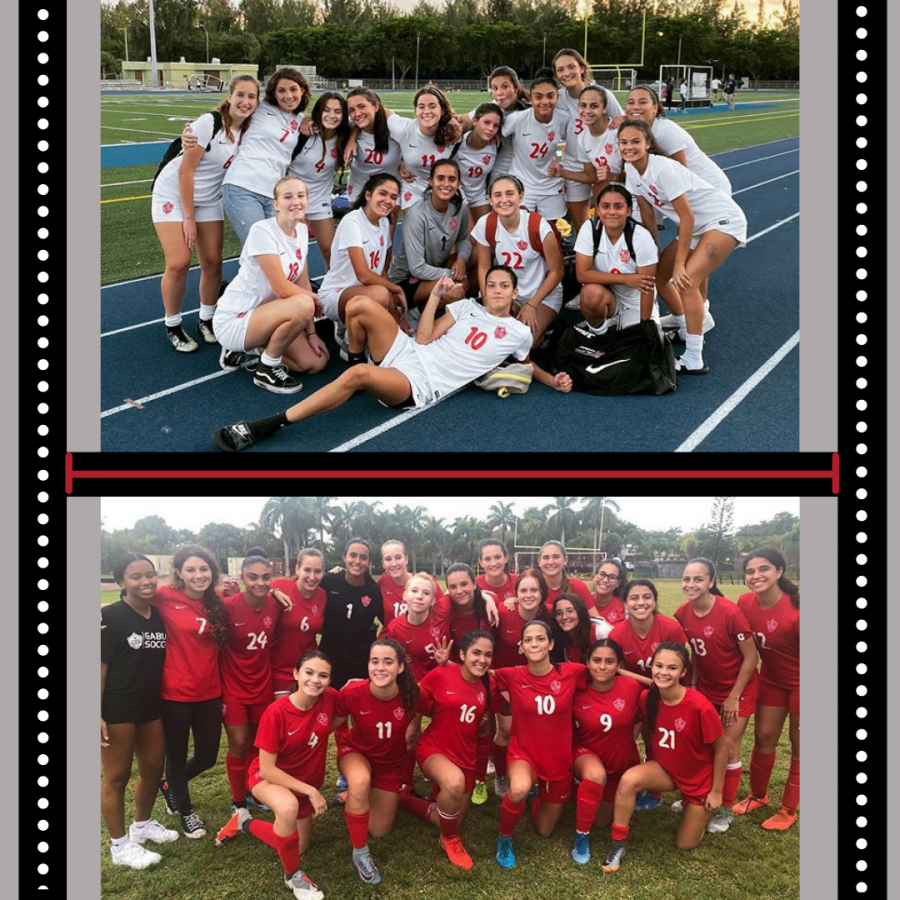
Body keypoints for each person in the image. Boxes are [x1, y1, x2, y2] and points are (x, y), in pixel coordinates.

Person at [212, 267, 548, 452]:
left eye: (504, 286)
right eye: (492, 285)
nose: (497, 291)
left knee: (358, 374)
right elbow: (424, 337)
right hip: (412, 351)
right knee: (360, 306)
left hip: (421, 383)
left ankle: (272, 423)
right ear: (484, 290)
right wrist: (435, 296)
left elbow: (527, 363)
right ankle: (356, 371)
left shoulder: (519, 333)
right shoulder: (466, 307)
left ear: (515, 293)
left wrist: (552, 380)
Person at [214, 650, 347, 900]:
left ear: (330, 680)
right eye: (308, 673)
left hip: (303, 783)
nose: (315, 680)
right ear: (296, 674)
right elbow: (267, 769)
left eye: (323, 675)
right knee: (288, 808)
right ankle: (294, 878)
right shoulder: (277, 712)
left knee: (298, 846)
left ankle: (244, 822)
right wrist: (310, 790)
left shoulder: (331, 698)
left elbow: (342, 714)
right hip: (268, 777)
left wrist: (319, 734)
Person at [619, 118, 747, 374]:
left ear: (648, 143)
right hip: (699, 226)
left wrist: (680, 264)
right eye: (623, 142)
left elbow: (686, 217)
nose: (629, 147)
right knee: (659, 276)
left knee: (685, 280)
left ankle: (694, 357)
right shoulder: (631, 169)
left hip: (722, 220)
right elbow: (646, 211)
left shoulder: (664, 169)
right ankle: (685, 323)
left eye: (635, 141)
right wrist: (653, 246)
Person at [152, 75, 259, 353]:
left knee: (212, 261)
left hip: (210, 198)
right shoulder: (209, 123)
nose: (245, 102)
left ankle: (207, 319)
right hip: (174, 194)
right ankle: (173, 325)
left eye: (251, 97)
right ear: (230, 96)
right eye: (241, 95)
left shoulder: (251, 130)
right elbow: (185, 172)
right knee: (179, 262)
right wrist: (188, 218)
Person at [600, 642, 728, 872]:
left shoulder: (700, 706)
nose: (664, 672)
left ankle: (700, 809)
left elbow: (722, 749)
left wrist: (717, 791)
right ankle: (618, 844)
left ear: (684, 671)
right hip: (666, 769)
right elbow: (635, 725)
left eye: (672, 667)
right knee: (628, 780)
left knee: (684, 845)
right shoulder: (648, 699)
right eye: (659, 665)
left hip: (697, 778)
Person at [213, 176, 327, 394]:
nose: (295, 201)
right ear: (276, 204)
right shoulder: (262, 231)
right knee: (303, 303)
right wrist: (314, 300)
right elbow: (282, 289)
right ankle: (267, 368)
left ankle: (259, 348)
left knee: (315, 363)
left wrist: (312, 333)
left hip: (267, 315)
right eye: (288, 197)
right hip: (236, 318)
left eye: (301, 196)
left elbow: (302, 281)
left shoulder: (301, 230)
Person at [400, 630, 501, 869]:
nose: (482, 659)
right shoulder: (442, 673)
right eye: (476, 653)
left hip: (465, 756)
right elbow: (419, 702)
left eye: (488, 655)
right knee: (453, 788)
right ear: (463, 654)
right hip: (434, 749)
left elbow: (485, 733)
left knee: (450, 817)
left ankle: (405, 799)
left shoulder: (489, 684)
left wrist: (478, 776)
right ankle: (449, 840)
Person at [101, 554, 177, 869]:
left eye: (150, 575)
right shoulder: (110, 617)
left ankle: (142, 826)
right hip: (117, 709)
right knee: (116, 777)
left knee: (152, 769)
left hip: (151, 707)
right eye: (136, 577)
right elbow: (98, 666)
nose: (145, 582)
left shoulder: (158, 615)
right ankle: (120, 846)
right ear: (121, 582)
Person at [493, 620, 588, 868]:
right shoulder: (511, 675)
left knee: (545, 830)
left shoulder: (572, 672)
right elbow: (477, 670)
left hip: (559, 759)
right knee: (518, 789)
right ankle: (504, 840)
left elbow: (606, 671)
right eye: (528, 640)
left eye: (540, 638)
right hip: (524, 754)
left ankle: (537, 798)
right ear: (521, 647)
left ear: (551, 643)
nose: (534, 644)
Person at [673, 557, 758, 833]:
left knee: (728, 745)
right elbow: (697, 655)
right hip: (707, 687)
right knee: (703, 743)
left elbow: (750, 657)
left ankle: (723, 809)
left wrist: (733, 697)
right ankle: (695, 796)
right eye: (687, 578)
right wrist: (695, 684)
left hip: (738, 688)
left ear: (711, 582)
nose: (691, 584)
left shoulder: (729, 612)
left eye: (698, 579)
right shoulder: (682, 613)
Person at [150, 545, 229, 839]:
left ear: (212, 571)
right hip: (174, 694)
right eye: (191, 570)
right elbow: (128, 602)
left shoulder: (217, 602)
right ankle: (185, 811)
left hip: (210, 692)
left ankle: (170, 784)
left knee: (208, 756)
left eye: (204, 569)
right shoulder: (164, 597)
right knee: (176, 755)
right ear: (179, 573)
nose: (199, 575)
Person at [335, 638, 421, 885]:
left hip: (390, 765)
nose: (380, 668)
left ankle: (354, 798)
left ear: (400, 667)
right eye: (374, 661)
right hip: (356, 753)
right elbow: (332, 723)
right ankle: (360, 854)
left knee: (380, 830)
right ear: (367, 665)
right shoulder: (352, 692)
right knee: (360, 781)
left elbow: (436, 710)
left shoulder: (412, 693)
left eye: (388, 662)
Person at [734, 548, 800, 830]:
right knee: (763, 736)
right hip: (772, 680)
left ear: (779, 572)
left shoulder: (798, 610)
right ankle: (758, 795)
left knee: (800, 747)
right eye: (750, 571)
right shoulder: (745, 603)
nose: (756, 575)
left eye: (764, 569)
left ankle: (788, 809)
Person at [316, 173, 407, 359]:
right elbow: (364, 275)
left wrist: (396, 315)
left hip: (364, 292)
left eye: (393, 197)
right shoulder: (352, 221)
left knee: (387, 303)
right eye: (383, 193)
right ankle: (349, 342)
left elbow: (381, 272)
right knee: (381, 293)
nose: (388, 201)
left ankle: (358, 328)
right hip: (336, 295)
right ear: (368, 195)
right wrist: (396, 289)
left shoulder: (383, 223)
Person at [220, 554, 285, 814]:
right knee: (238, 741)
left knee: (257, 743)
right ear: (243, 578)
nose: (260, 582)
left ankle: (252, 789)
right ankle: (238, 802)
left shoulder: (275, 605)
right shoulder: (227, 606)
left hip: (262, 684)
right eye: (253, 577)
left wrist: (278, 591)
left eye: (265, 577)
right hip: (233, 686)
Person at [570, 638, 642, 864]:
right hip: (586, 754)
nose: (602, 666)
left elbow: (641, 717)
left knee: (601, 820)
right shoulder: (576, 691)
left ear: (618, 665)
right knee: (595, 776)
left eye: (609, 661)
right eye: (597, 660)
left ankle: (579, 794)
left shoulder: (631, 687)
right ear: (587, 663)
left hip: (620, 763)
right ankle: (581, 837)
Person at [470, 175, 565, 350]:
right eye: (497, 195)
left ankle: (546, 327)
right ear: (490, 200)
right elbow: (484, 266)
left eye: (510, 194)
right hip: (507, 293)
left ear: (521, 196)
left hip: (541, 294)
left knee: (522, 345)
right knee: (492, 338)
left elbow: (557, 272)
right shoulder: (486, 223)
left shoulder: (539, 226)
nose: (504, 200)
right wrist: (487, 299)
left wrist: (531, 304)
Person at [220, 68, 311, 245]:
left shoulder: (300, 119)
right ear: (273, 93)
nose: (288, 95)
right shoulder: (261, 107)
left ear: (302, 91)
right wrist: (199, 125)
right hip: (243, 186)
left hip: (273, 193)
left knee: (277, 249)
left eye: (293, 89)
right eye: (281, 90)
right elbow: (229, 110)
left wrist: (308, 118)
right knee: (260, 249)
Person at [491, 569, 553, 797]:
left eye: (534, 590)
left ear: (542, 593)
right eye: (523, 590)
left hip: (536, 681)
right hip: (505, 679)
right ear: (515, 594)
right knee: (506, 729)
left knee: (533, 731)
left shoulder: (548, 616)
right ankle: (500, 775)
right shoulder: (503, 612)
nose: (529, 595)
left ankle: (533, 774)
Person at [388, 160, 472, 325]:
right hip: (405, 280)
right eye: (440, 178)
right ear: (430, 181)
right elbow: (417, 268)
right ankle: (414, 312)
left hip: (433, 272)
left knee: (476, 256)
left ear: (458, 183)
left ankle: (437, 307)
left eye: (452, 179)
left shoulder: (459, 207)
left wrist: (462, 260)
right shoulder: (416, 215)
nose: (446, 184)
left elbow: (463, 239)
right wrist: (452, 275)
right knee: (456, 291)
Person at [552, 49, 625, 232]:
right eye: (561, 69)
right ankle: (590, 257)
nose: (566, 73)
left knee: (611, 221)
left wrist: (625, 118)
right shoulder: (558, 99)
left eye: (571, 67)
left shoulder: (602, 94)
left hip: (604, 164)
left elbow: (623, 124)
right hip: (575, 165)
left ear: (582, 68)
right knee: (582, 227)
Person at [572, 184, 659, 335]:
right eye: (606, 206)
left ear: (629, 211)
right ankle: (599, 334)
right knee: (590, 294)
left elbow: (647, 287)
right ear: (598, 210)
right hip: (608, 295)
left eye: (618, 206)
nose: (611, 212)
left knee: (638, 344)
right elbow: (582, 274)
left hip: (635, 302)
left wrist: (645, 325)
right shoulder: (590, 228)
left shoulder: (641, 237)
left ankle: (643, 320)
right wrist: (626, 279)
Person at [287, 92, 351, 270]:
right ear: (318, 112)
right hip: (293, 198)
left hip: (320, 198)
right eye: (327, 110)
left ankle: (330, 293)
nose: (332, 115)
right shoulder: (304, 133)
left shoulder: (344, 136)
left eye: (338, 111)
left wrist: (352, 139)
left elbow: (366, 122)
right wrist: (306, 119)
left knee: (331, 250)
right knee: (295, 251)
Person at [498, 70, 569, 221]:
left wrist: (559, 160)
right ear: (531, 98)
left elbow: (566, 142)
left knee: (553, 231)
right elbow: (493, 131)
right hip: (522, 183)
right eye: (538, 97)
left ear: (557, 97)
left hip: (551, 184)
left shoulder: (564, 119)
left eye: (550, 96)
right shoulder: (517, 119)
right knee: (520, 228)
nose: (545, 101)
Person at [317, 539, 385, 690]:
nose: (357, 561)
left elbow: (387, 622)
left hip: (360, 663)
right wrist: (274, 592)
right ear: (344, 557)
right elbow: (302, 591)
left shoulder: (373, 591)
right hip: (329, 659)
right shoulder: (329, 581)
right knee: (329, 707)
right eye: (353, 555)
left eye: (363, 557)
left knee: (359, 709)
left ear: (369, 562)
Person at [379, 87, 462, 210]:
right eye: (421, 106)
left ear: (443, 110)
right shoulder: (404, 128)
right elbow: (374, 106)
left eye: (432, 106)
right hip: (413, 188)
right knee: (413, 226)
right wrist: (399, 161)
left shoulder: (453, 132)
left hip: (443, 189)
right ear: (416, 110)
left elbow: (480, 121)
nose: (427, 111)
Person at [608, 578, 689, 688]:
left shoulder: (671, 628)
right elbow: (620, 670)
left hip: (670, 688)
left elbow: (679, 667)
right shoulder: (616, 635)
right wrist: (650, 683)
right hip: (633, 688)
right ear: (625, 605)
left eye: (647, 597)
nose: (641, 602)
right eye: (634, 598)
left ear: (654, 602)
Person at [270, 549, 328, 697]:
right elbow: (256, 589)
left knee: (307, 717)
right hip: (279, 669)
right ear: (297, 569)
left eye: (318, 571)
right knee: (285, 716)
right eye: (307, 570)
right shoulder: (280, 586)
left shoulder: (322, 595)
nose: (312, 577)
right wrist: (271, 591)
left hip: (308, 670)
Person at [459, 67, 531, 179]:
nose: (499, 93)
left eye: (505, 87)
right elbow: (462, 119)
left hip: (525, 170)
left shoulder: (528, 110)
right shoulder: (491, 108)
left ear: (515, 88)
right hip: (499, 169)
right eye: (495, 88)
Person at [343, 89, 402, 206]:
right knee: (357, 222)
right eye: (351, 110)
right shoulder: (349, 128)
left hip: (389, 187)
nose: (357, 113)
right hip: (359, 185)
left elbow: (419, 131)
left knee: (386, 224)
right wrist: (306, 119)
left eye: (361, 106)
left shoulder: (395, 128)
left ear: (376, 106)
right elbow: (321, 122)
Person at [377, 539, 445, 627]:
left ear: (406, 559)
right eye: (388, 559)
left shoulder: (426, 583)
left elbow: (443, 614)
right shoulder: (381, 584)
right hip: (391, 638)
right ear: (383, 563)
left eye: (398, 557)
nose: (393, 563)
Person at [454, 103, 503, 223]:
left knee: (486, 233)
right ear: (475, 121)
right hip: (457, 195)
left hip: (479, 197)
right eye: (486, 123)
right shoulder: (456, 141)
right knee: (468, 238)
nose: (491, 129)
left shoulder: (496, 145)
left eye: (495, 125)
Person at [550, 592, 612, 663]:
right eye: (559, 613)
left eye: (570, 611)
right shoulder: (558, 638)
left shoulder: (600, 632)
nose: (564, 617)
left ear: (580, 611)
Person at [537, 540, 593, 610]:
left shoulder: (578, 587)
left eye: (556, 557)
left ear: (565, 560)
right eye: (546, 558)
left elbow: (595, 619)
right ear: (539, 561)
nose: (550, 562)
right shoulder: (531, 589)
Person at [475, 539, 518, 605]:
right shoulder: (474, 586)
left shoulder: (519, 582)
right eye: (487, 559)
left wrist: (518, 600)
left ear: (505, 558)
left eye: (497, 557)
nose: (493, 563)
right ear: (481, 562)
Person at [588, 558, 629, 626]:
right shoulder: (584, 601)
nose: (605, 580)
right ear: (595, 576)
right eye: (602, 574)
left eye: (612, 577)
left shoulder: (625, 607)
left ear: (618, 583)